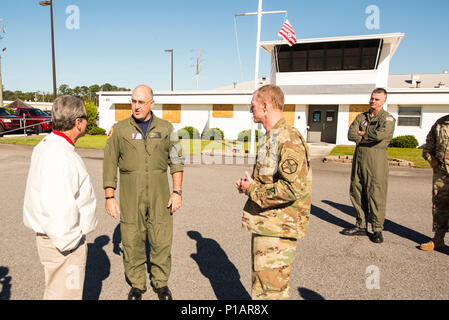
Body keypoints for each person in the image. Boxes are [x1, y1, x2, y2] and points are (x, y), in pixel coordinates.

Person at [103, 85, 184, 300]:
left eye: (141, 102)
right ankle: (137, 284)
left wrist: (177, 191)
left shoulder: (167, 128)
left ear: (151, 103)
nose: (136, 106)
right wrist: (109, 196)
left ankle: (161, 283)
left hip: (160, 194)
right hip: (131, 195)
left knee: (161, 238)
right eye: (133, 101)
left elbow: (176, 162)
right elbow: (109, 164)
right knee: (131, 238)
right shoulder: (119, 130)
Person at [236, 84, 312, 300]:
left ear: (265, 105)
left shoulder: (288, 139)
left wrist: (252, 189)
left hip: (278, 230)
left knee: (271, 293)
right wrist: (249, 187)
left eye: (253, 106)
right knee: (262, 289)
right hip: (268, 226)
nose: (251, 110)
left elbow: (290, 189)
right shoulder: (271, 138)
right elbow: (269, 182)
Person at [23, 95, 97, 300]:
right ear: (78, 122)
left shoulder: (48, 145)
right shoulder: (60, 156)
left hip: (54, 237)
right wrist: (72, 243)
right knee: (66, 295)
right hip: (64, 242)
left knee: (56, 292)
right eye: (85, 118)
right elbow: (58, 207)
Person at [342, 88, 395, 243]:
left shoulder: (387, 118)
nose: (373, 101)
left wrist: (362, 134)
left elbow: (379, 136)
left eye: (377, 99)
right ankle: (361, 226)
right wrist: (364, 136)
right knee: (357, 191)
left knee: (376, 193)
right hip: (359, 159)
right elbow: (351, 134)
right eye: (372, 98)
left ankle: (377, 229)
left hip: (376, 160)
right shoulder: (361, 117)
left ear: (384, 101)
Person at [419, 116, 449, 251]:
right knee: (439, 207)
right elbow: (429, 144)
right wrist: (431, 159)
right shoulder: (440, 123)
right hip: (442, 173)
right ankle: (438, 240)